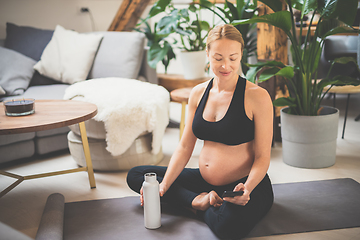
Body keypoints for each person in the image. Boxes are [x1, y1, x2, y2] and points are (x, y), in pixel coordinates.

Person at [127, 24, 274, 239]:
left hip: (243, 184)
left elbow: (262, 157)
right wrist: (164, 186)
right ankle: (197, 201)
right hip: (203, 182)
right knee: (139, 176)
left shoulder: (257, 97)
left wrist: (248, 188)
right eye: (218, 58)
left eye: (233, 58)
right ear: (207, 54)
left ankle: (193, 204)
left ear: (241, 54)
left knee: (228, 228)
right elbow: (186, 146)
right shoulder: (198, 93)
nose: (226, 65)